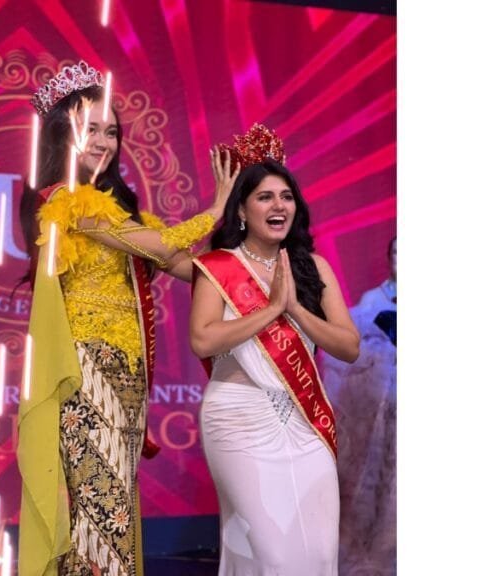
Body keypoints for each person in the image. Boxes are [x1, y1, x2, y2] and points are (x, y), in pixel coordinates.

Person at [16, 60, 239, 576]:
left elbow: (186, 266)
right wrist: (216, 209)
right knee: (99, 505)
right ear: (63, 135)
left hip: (129, 374)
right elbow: (159, 246)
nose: (104, 141)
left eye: (111, 132)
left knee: (115, 501)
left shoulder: (121, 214)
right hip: (87, 368)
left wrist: (250, 261)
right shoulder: (66, 202)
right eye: (90, 129)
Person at [189, 123, 361, 575]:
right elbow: (202, 339)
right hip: (238, 418)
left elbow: (348, 346)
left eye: (286, 196)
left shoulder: (313, 267)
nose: (278, 205)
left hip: (303, 420)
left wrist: (296, 310)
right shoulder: (217, 267)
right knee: (270, 555)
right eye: (265, 197)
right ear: (242, 210)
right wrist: (269, 312)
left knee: (317, 552)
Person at [320, 236, 396, 576]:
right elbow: (348, 354)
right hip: (377, 410)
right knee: (373, 485)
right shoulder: (371, 302)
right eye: (396, 252)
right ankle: (367, 553)